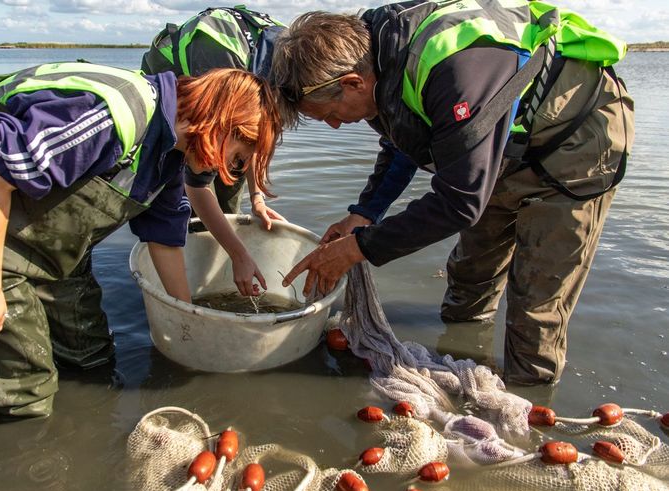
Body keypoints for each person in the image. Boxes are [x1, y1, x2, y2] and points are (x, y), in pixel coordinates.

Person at [272, 1, 634, 385]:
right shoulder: (374, 57)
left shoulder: (455, 70)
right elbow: (404, 139)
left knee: (535, 301)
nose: (332, 126)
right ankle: (466, 345)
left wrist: (359, 248)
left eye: (327, 114)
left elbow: (460, 201)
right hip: (498, 145)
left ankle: (528, 402)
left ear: (352, 83)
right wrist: (365, 213)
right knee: (470, 275)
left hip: (573, 143)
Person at [0, 63, 281, 419]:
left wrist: (188, 321)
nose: (222, 171)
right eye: (235, 159)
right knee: (26, 385)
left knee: (91, 355)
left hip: (48, 240)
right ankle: (30, 465)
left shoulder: (173, 154)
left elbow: (164, 239)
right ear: (223, 125)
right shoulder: (114, 115)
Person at [142, 6, 288, 230]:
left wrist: (256, 198)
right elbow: (198, 181)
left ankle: (225, 249)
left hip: (226, 109)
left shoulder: (287, 68)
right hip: (181, 108)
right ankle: (191, 242)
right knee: (185, 203)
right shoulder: (218, 54)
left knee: (229, 185)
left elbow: (253, 139)